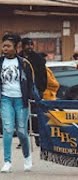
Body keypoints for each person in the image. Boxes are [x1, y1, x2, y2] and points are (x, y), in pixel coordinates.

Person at [0, 34, 40, 172]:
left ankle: (27, 157)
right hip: (5, 99)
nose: (4, 49)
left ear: (16, 47)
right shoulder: (0, 63)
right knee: (7, 129)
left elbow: (31, 83)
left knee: (22, 131)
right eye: (3, 46)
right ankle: (7, 161)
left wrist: (36, 99)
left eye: (8, 46)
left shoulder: (24, 63)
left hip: (20, 100)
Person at [19, 37, 47, 147]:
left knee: (36, 115)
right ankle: (23, 139)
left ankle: (38, 138)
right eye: (27, 44)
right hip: (21, 89)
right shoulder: (18, 58)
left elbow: (43, 75)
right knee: (22, 115)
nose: (29, 47)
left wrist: (41, 89)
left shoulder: (38, 58)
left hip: (34, 89)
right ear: (23, 46)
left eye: (31, 44)